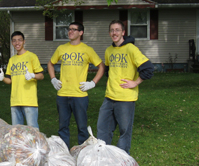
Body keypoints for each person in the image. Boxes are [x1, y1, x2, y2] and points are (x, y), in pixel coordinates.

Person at [97, 20, 154, 154]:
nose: (114, 33)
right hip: (109, 97)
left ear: (123, 32)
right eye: (112, 30)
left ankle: (122, 161)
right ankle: (103, 158)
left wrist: (135, 82)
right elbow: (108, 70)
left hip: (126, 98)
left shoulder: (131, 49)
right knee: (103, 129)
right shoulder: (109, 50)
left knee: (124, 132)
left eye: (117, 30)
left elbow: (148, 68)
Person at [47, 22, 105, 148]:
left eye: (74, 29)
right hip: (62, 94)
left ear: (81, 33)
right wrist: (53, 79)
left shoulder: (87, 50)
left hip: (80, 95)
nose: (70, 31)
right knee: (63, 127)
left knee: (82, 128)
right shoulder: (61, 48)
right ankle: (64, 154)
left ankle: (83, 153)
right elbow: (50, 64)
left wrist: (93, 83)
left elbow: (101, 66)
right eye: (69, 29)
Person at [0, 31, 44, 129]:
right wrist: (3, 78)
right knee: (17, 131)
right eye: (14, 41)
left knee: (33, 130)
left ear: (24, 41)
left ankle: (35, 145)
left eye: (19, 40)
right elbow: (9, 81)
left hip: (29, 101)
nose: (17, 43)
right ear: (12, 43)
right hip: (15, 101)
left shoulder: (31, 56)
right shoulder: (12, 60)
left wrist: (33, 75)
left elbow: (41, 76)